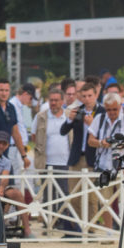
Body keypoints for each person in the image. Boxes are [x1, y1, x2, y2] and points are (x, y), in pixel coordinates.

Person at [88, 92, 124, 230]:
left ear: (120, 107)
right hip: (104, 165)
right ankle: (109, 231)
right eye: (108, 109)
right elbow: (90, 141)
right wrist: (101, 142)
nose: (111, 112)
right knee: (105, 200)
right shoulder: (99, 119)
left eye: (114, 109)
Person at [60, 81, 105, 228]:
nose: (87, 99)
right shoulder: (77, 110)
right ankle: (77, 227)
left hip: (93, 158)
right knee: (74, 195)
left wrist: (93, 124)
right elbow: (63, 131)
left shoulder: (102, 112)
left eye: (90, 96)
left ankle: (91, 227)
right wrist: (69, 119)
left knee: (92, 196)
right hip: (76, 157)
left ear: (96, 95)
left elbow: (106, 135)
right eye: (84, 96)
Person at [32, 87, 74, 234]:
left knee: (64, 193)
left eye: (56, 100)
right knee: (47, 194)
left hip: (65, 162)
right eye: (51, 100)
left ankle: (62, 221)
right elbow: (34, 136)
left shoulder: (69, 116)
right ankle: (48, 222)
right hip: (46, 162)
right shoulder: (41, 116)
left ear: (62, 101)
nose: (54, 103)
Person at [0, 131, 34, 238]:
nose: (1, 146)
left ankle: (27, 229)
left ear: (7, 146)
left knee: (16, 194)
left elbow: (5, 178)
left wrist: (1, 187)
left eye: (4, 144)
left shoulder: (6, 161)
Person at [7, 83, 35, 181]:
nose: (30, 101)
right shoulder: (13, 105)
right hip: (14, 147)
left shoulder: (18, 106)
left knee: (23, 176)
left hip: (19, 147)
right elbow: (15, 130)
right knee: (18, 177)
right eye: (30, 98)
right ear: (25, 94)